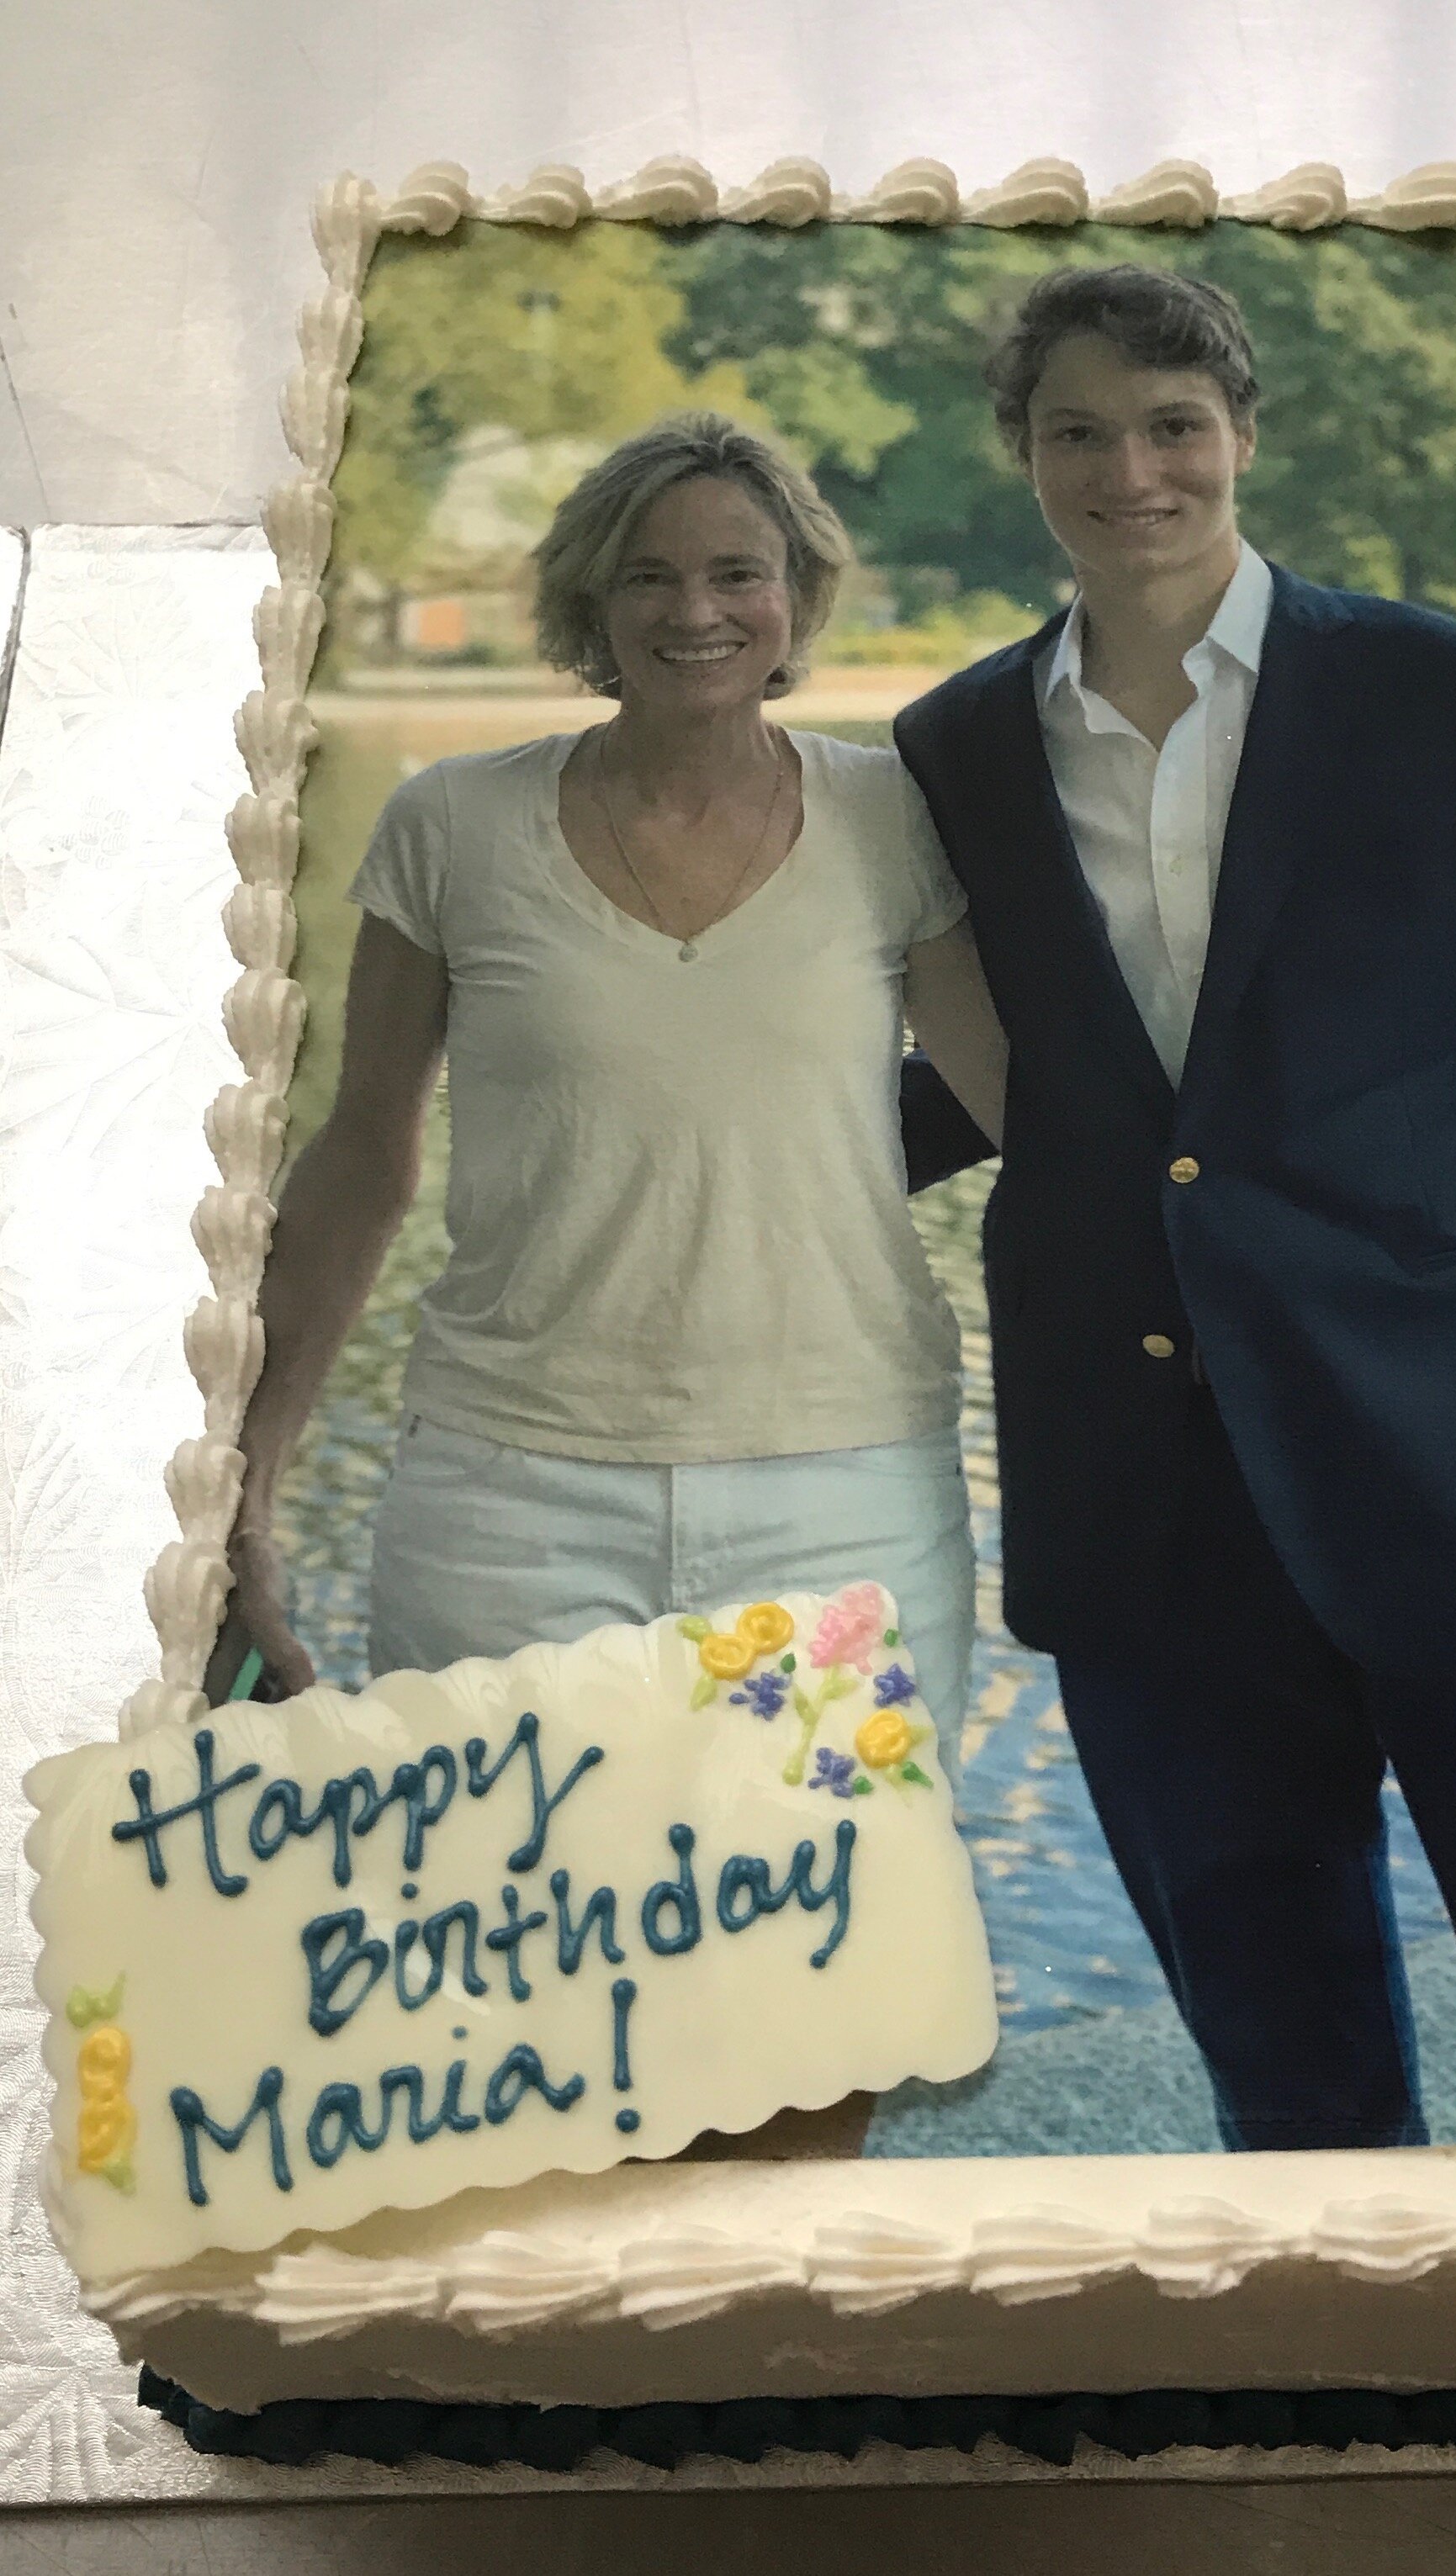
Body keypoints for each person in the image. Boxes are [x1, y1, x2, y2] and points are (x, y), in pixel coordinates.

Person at [895, 266, 1456, 2151]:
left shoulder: (1449, 692)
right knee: (1284, 2074)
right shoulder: (950, 749)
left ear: (1241, 435)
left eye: (1172, 427)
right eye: (1078, 431)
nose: (1130, 470)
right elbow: (1002, 1092)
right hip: (1146, 1502)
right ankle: (1369, 2394)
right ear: (1023, 457)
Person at [208, 414, 1008, 1808]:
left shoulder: (896, 814)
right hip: (509, 1501)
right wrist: (249, 1482)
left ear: (796, 598)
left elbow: (1030, 1107)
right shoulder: (451, 826)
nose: (695, 610)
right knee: (510, 1971)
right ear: (592, 599)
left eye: (736, 574)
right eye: (649, 577)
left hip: (845, 1483)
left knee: (844, 1968)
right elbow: (364, 1156)